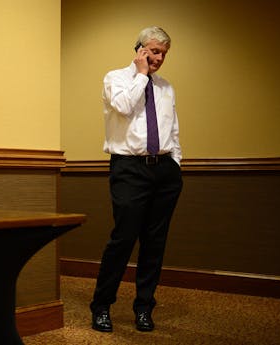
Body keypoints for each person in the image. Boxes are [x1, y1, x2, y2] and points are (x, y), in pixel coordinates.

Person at [90, 26, 183, 333]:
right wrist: (141, 74)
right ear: (140, 50)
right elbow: (124, 106)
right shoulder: (115, 78)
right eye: (154, 51)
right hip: (129, 169)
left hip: (164, 172)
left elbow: (173, 130)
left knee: (155, 243)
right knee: (123, 239)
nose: (159, 58)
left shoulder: (166, 87)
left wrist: (176, 164)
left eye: (163, 54)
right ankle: (101, 306)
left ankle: (144, 307)